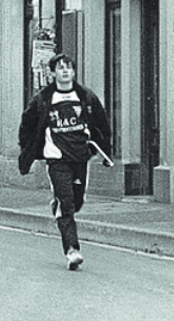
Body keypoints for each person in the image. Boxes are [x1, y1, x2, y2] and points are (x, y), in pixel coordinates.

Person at [18, 53, 114, 270]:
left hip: (80, 157)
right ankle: (72, 249)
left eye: (68, 68)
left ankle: (59, 205)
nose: (64, 71)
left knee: (77, 201)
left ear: (73, 72)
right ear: (53, 73)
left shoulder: (86, 97)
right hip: (57, 159)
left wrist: (105, 151)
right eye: (60, 68)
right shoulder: (43, 99)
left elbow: (102, 124)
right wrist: (28, 149)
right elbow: (27, 124)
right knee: (67, 203)